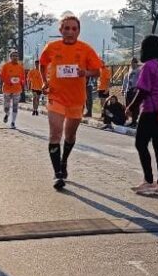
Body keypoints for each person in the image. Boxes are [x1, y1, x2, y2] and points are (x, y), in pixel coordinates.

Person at [39, 15, 110, 190]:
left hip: (76, 100)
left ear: (78, 31)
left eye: (74, 28)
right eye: (66, 28)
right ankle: (58, 174)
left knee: (69, 135)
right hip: (56, 97)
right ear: (60, 30)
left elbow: (97, 71)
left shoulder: (86, 49)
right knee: (55, 134)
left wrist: (84, 73)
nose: (70, 32)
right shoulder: (52, 47)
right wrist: (45, 82)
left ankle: (64, 162)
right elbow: (42, 63)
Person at [126, 34, 158, 195]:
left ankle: (148, 180)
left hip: (150, 111)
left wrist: (131, 107)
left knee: (141, 144)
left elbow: (143, 91)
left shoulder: (148, 66)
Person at [0, 50, 25, 128]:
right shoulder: (6, 66)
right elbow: (1, 76)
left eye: (16, 56)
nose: (15, 57)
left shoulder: (21, 67)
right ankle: (7, 114)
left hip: (17, 89)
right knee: (6, 107)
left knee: (15, 106)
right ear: (10, 57)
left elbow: (23, 78)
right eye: (13, 56)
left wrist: (22, 83)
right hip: (7, 89)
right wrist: (8, 81)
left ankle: (13, 122)